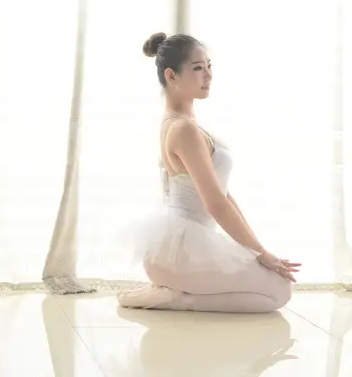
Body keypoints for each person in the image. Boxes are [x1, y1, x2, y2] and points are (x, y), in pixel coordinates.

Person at [117, 32, 301, 313]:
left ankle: (174, 291)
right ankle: (175, 298)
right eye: (197, 68)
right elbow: (215, 204)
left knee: (278, 286)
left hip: (185, 246)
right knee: (280, 292)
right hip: (178, 253)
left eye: (209, 66)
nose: (208, 75)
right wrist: (261, 253)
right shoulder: (183, 129)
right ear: (172, 76)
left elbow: (223, 195)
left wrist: (256, 250)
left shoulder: (185, 123)